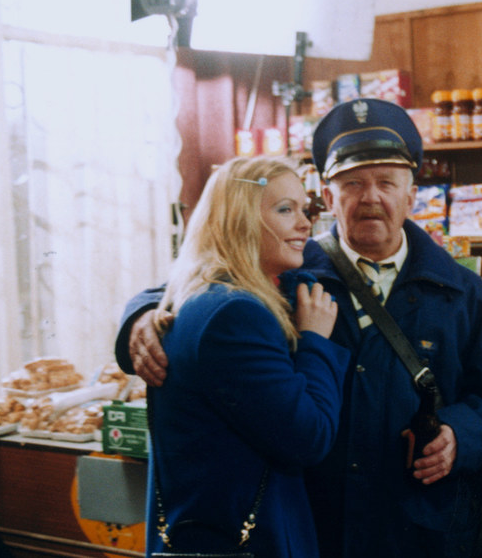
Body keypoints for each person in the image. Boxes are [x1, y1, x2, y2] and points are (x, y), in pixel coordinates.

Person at [117, 100, 482, 556]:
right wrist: (140, 315)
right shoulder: (284, 266)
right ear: (330, 198)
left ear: (412, 196)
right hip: (315, 523)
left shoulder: (462, 292)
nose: (371, 197)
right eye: (353, 184)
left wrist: (460, 436)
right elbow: (202, 281)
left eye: (387, 183)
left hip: (418, 528)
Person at [146, 156, 348, 557]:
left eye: (304, 209)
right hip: (245, 541)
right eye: (285, 209)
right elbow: (310, 438)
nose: (306, 224)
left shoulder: (207, 294)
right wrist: (315, 341)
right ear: (239, 218)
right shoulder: (235, 314)